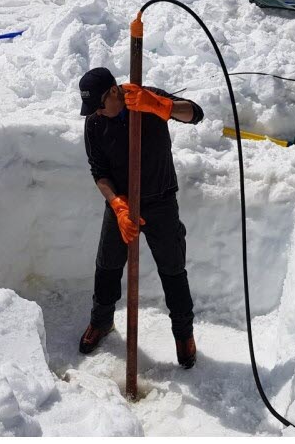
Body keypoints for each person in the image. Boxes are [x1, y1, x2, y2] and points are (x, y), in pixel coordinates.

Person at [77, 67, 204, 369]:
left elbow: (195, 114)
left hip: (160, 202)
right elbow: (99, 172)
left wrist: (160, 106)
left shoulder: (144, 98)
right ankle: (101, 321)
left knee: (173, 270)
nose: (95, 112)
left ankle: (183, 334)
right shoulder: (95, 122)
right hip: (122, 205)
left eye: (98, 103)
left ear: (113, 93)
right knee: (107, 265)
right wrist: (117, 206)